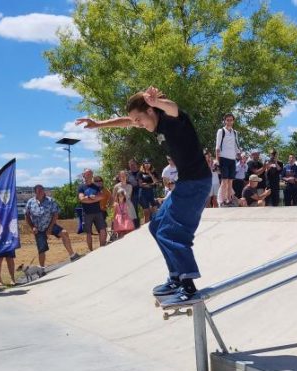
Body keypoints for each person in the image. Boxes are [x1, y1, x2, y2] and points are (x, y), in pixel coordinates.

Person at [76, 86, 212, 304]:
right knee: (156, 226)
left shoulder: (171, 119)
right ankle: (176, 278)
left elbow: (174, 108)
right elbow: (126, 120)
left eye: (139, 119)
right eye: (135, 121)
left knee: (172, 232)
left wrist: (155, 101)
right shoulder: (154, 124)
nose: (137, 124)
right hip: (186, 183)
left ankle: (189, 288)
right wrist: (99, 124)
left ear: (151, 110)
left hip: (196, 184)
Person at [25, 184, 80, 271]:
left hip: (50, 224)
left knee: (64, 233)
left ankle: (72, 255)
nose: (40, 192)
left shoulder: (50, 201)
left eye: (42, 190)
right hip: (38, 229)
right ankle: (42, 269)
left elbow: (55, 214)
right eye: (38, 190)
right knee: (41, 249)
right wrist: (32, 227)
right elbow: (27, 216)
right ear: (35, 192)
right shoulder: (30, 202)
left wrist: (50, 228)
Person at [215, 113, 241, 207]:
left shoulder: (235, 132)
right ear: (224, 121)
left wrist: (239, 155)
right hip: (223, 158)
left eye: (231, 120)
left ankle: (229, 199)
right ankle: (224, 200)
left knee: (230, 181)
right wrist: (217, 160)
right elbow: (217, 147)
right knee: (224, 181)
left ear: (233, 121)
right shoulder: (221, 131)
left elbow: (237, 146)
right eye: (227, 120)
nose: (229, 121)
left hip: (232, 159)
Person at [78, 168, 107, 250]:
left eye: (90, 174)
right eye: (87, 174)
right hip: (87, 213)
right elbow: (82, 199)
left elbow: (101, 196)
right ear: (84, 175)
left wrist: (88, 200)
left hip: (98, 212)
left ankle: (102, 249)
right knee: (88, 233)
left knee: (102, 229)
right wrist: (92, 198)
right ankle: (91, 251)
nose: (89, 175)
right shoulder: (81, 187)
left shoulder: (96, 186)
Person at [126, 159, 142, 228]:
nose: (132, 166)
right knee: (134, 211)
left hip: (142, 192)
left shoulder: (141, 172)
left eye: (133, 164)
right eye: (130, 165)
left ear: (136, 164)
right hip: (132, 194)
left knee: (147, 209)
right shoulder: (128, 174)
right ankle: (136, 227)